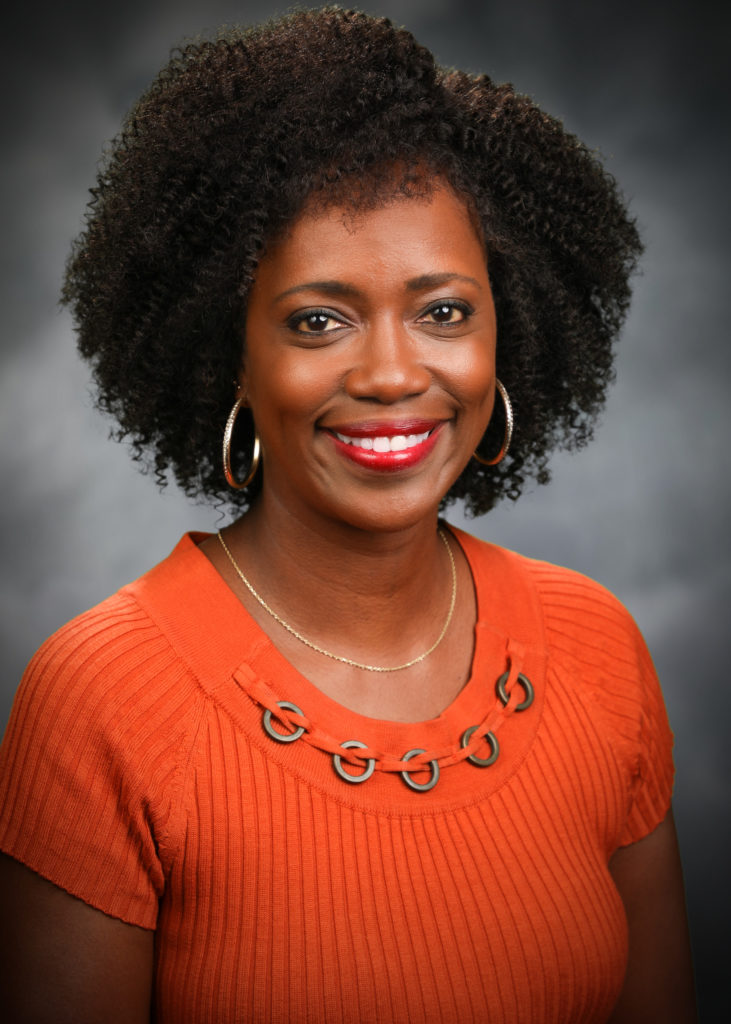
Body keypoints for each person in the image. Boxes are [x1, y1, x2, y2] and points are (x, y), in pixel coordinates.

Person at [0, 7, 696, 1023]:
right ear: (225, 352)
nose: (390, 373)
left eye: (443, 310)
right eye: (317, 319)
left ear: (509, 327)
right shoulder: (104, 698)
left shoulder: (596, 647)